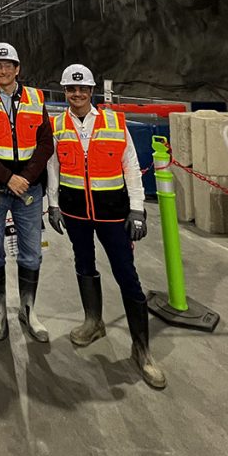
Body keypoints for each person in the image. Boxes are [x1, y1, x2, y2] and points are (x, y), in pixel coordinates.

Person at [46, 64, 166, 389]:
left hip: (114, 214)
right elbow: (53, 166)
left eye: (82, 88)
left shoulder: (114, 122)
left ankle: (142, 350)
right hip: (75, 213)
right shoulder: (56, 125)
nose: (77, 94)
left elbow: (130, 166)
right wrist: (53, 204)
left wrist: (138, 210)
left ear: (92, 91)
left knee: (127, 275)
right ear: (65, 92)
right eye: (71, 89)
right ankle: (93, 322)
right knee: (84, 264)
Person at [0, 42, 53, 342]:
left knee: (31, 253)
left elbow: (46, 144)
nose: (3, 71)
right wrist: (7, 178)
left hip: (28, 189)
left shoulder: (35, 98)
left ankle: (29, 310)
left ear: (18, 68)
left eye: (8, 65)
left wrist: (25, 178)